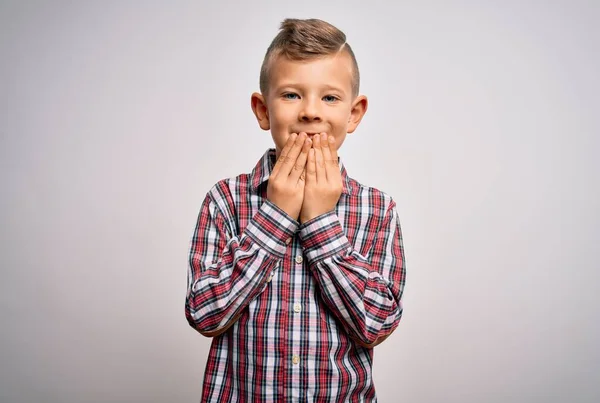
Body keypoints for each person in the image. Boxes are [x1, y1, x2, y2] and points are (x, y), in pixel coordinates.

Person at [186, 18, 406, 402]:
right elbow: (205, 314)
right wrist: (276, 215)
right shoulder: (225, 200)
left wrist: (321, 222)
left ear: (354, 114)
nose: (310, 112)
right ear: (262, 109)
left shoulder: (378, 209)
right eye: (291, 95)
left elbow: (376, 323)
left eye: (330, 98)